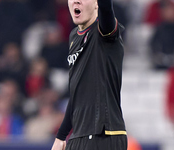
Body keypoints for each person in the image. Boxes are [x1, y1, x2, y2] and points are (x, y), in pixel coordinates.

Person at [51, 0, 127, 149]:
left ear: (96, 4)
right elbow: (76, 94)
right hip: (78, 135)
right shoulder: (74, 37)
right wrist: (61, 136)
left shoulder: (104, 31)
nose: (76, 1)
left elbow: (106, 9)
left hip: (104, 134)